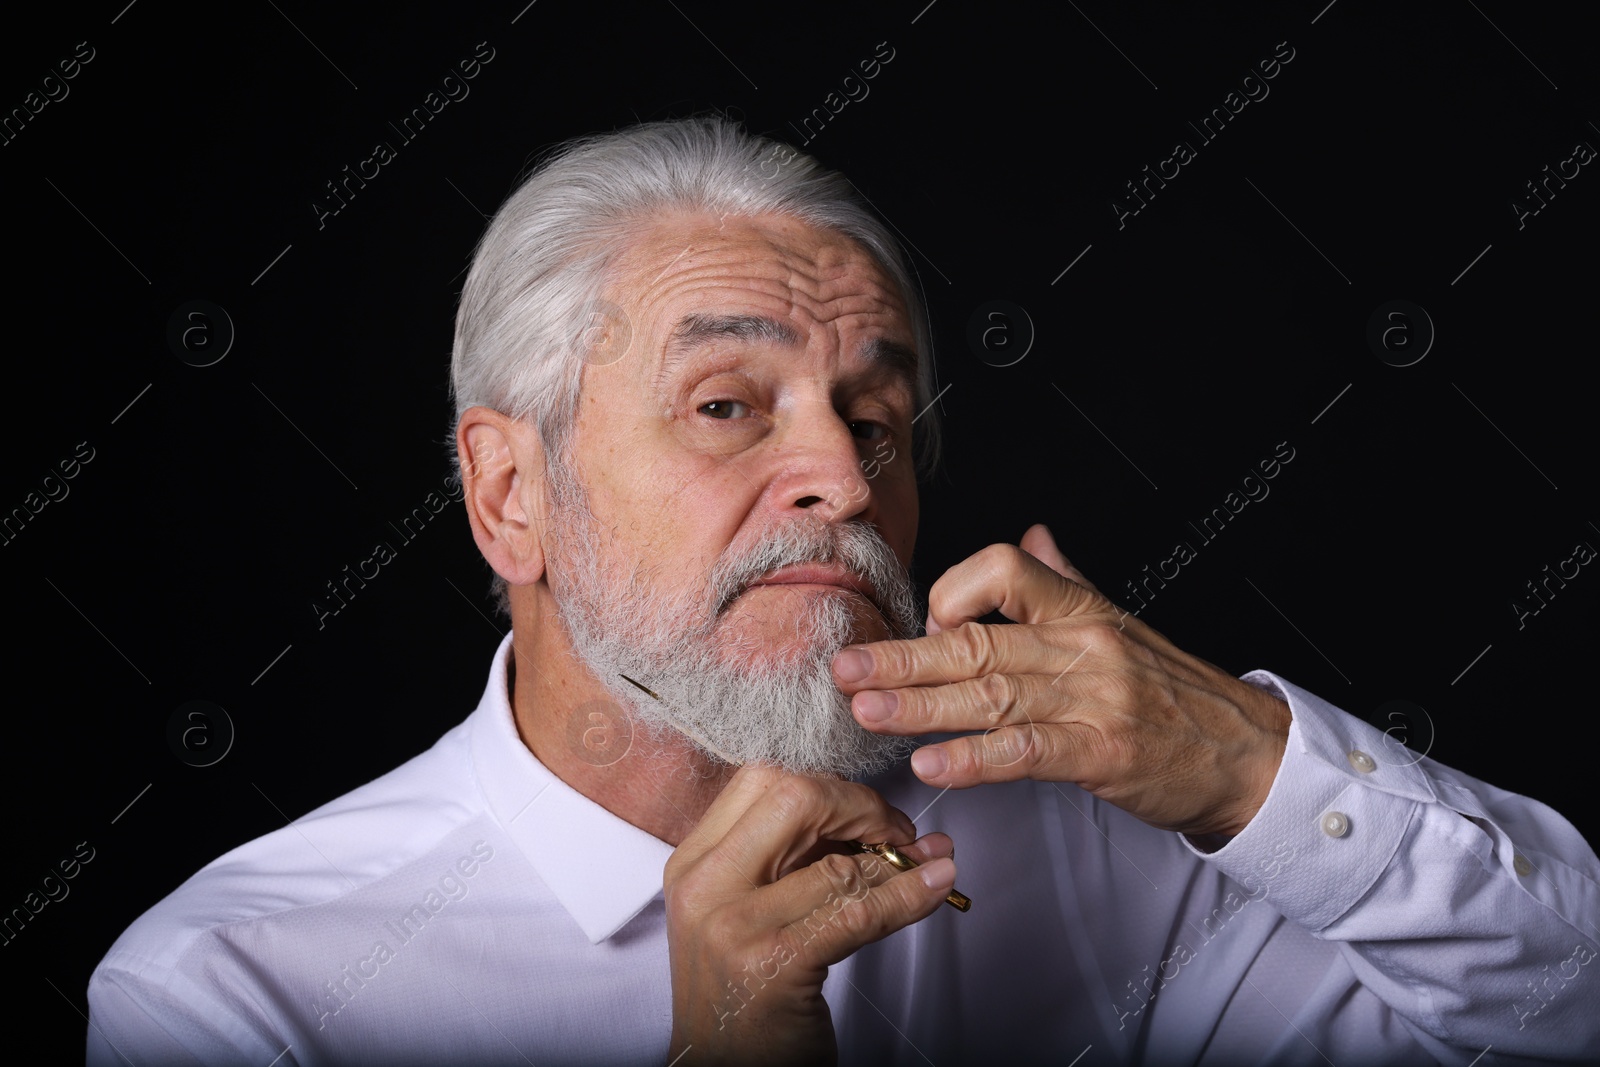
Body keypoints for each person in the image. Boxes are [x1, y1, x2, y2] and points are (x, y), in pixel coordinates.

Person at [87, 116, 1600, 1066]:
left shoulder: (1097, 857)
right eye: (729, 404)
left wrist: (1239, 763)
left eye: (876, 419)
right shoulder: (235, 996)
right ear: (510, 495)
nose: (845, 478)